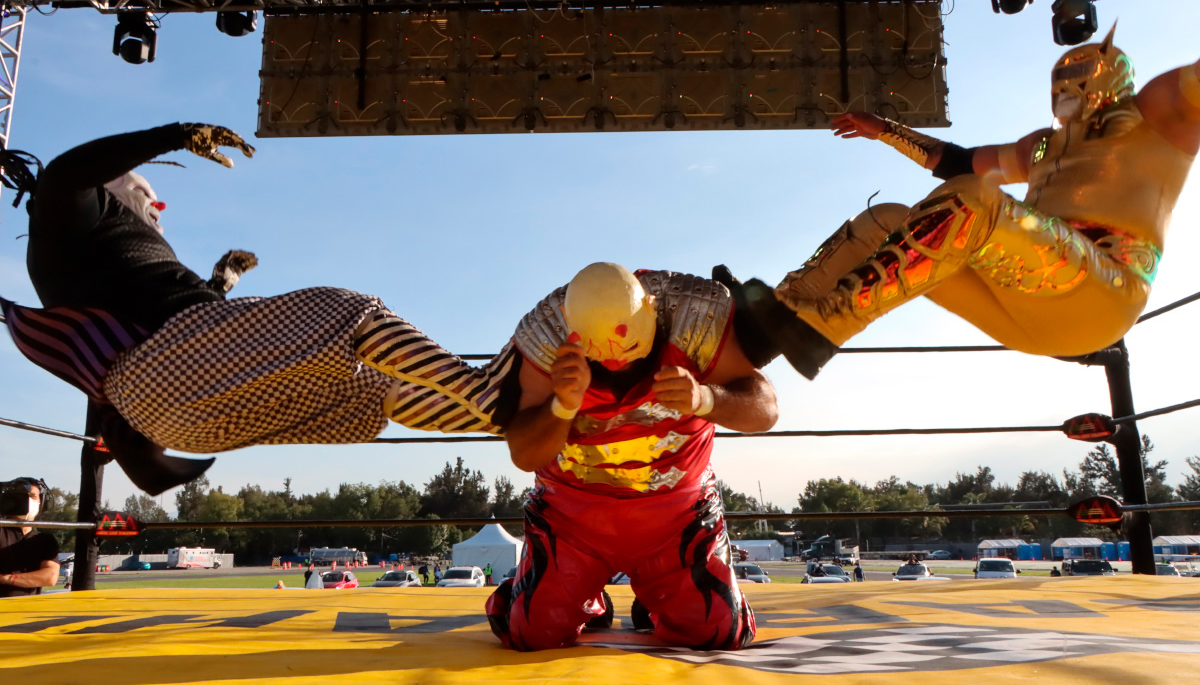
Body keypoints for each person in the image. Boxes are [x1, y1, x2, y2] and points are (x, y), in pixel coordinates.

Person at [0, 124, 523, 494]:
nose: (158, 209)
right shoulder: (73, 218)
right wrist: (175, 135)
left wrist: (219, 282)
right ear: (113, 185)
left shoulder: (95, 257)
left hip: (183, 415)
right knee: (348, 311)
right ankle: (484, 391)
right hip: (172, 367)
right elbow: (65, 176)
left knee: (374, 390)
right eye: (146, 195)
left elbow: (164, 320)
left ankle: (514, 423)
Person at [727, 27, 1200, 378]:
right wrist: (885, 131)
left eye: (1080, 75)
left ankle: (829, 323)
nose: (1067, 88)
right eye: (1062, 76)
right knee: (887, 219)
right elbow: (957, 162)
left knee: (979, 198)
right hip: (1029, 308)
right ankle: (777, 317)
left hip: (1105, 292)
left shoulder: (1155, 115)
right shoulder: (1042, 145)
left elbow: (972, 188)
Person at [485, 262, 777, 652]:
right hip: (573, 518)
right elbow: (524, 453)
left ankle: (660, 595)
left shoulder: (694, 324)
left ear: (653, 310)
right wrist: (561, 406)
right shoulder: (548, 343)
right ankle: (581, 597)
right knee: (532, 632)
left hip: (676, 515)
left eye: (625, 340)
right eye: (598, 346)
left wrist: (706, 398)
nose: (613, 358)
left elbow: (766, 408)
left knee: (717, 629)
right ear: (570, 326)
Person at [0, 478, 61, 597]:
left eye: (33, 496)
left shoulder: (45, 540)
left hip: (28, 610)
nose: (27, 501)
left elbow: (50, 577)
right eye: (22, 496)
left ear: (42, 503)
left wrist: (5, 578)